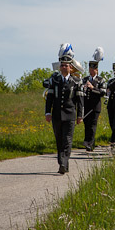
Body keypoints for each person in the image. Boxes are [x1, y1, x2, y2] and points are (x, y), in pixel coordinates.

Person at [44, 43, 84, 174]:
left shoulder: (76, 82)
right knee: (59, 140)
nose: (64, 67)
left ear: (70, 67)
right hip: (56, 115)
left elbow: (79, 101)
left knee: (67, 140)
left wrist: (80, 115)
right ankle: (63, 163)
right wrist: (47, 112)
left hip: (70, 115)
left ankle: (63, 163)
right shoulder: (54, 80)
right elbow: (49, 97)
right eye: (62, 65)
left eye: (66, 65)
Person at [81, 47, 107, 152]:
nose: (91, 71)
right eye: (90, 69)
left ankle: (89, 143)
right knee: (86, 125)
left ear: (96, 69)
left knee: (93, 125)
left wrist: (92, 88)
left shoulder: (100, 80)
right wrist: (84, 87)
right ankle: (89, 143)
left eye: (93, 69)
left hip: (95, 106)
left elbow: (102, 92)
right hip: (86, 105)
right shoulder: (85, 79)